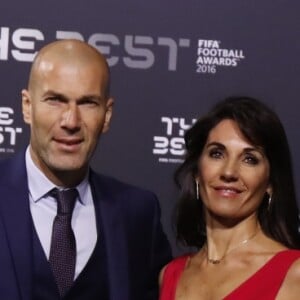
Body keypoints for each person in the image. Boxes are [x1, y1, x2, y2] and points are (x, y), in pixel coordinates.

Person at [0, 39, 172, 300]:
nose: (71, 121)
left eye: (88, 103)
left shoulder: (138, 214)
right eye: (55, 100)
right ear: (27, 106)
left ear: (107, 114)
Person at [159, 96, 300, 299]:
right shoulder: (171, 274)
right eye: (217, 154)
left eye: (250, 159)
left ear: (270, 183)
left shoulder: (294, 274)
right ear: (198, 172)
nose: (229, 172)